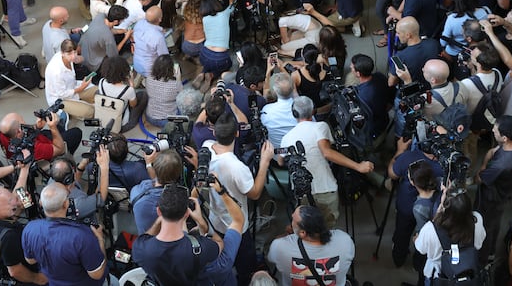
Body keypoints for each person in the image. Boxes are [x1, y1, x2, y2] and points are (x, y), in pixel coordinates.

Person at [282, 96, 374, 226]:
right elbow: (327, 152)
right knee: (328, 226)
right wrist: (358, 166)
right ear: (313, 111)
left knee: (308, 228)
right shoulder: (320, 127)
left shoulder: (286, 138)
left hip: (300, 191)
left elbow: (281, 161)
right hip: (324, 188)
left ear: (294, 113)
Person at [207, 112, 273, 285]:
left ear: (214, 132)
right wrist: (265, 162)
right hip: (237, 224)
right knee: (245, 265)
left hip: (214, 220)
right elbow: (255, 193)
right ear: (237, 133)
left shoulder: (206, 148)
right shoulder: (237, 168)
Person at [132, 183, 220, 285]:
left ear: (159, 211)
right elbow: (218, 243)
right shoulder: (201, 249)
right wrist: (201, 221)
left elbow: (146, 237)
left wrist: (158, 221)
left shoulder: (141, 249)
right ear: (187, 213)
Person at [21, 183, 108, 285]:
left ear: (41, 202)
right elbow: (97, 274)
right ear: (65, 204)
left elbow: (31, 260)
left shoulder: (29, 229)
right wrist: (100, 240)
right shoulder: (82, 236)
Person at [474, 116, 512, 263]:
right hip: (506, 192)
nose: (492, 130)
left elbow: (479, 178)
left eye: (495, 130)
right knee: (494, 222)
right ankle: (491, 251)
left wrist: (485, 161)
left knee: (485, 227)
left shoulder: (501, 165)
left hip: (491, 198)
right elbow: (499, 150)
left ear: (504, 138)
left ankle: (482, 258)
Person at [0, 187, 48, 286]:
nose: (15, 201)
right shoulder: (8, 237)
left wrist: (16, 208)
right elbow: (15, 271)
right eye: (9, 202)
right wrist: (38, 278)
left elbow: (5, 218)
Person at [267, 205, 355, 286]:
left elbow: (271, 257)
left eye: (293, 219)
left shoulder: (279, 246)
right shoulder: (345, 241)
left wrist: (287, 235)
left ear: (302, 233)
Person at [414, 184, 486, 282]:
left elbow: (421, 249)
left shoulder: (431, 229)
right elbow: (478, 244)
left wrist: (436, 218)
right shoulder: (477, 220)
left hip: (439, 276)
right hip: (467, 271)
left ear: (444, 209)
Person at [0, 111, 80, 162]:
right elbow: (60, 150)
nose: (25, 122)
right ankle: (66, 159)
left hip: (39, 137)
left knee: (58, 129)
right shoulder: (36, 148)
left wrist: (37, 127)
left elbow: (23, 132)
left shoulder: (5, 132)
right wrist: (53, 127)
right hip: (51, 148)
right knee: (76, 132)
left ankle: (60, 129)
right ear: (19, 131)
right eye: (23, 122)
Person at [44, 39, 95, 120]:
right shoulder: (56, 72)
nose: (73, 56)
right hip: (60, 97)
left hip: (72, 86)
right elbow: (62, 94)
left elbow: (77, 58)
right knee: (90, 112)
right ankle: (70, 111)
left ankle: (80, 104)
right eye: (69, 54)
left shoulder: (66, 57)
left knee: (97, 91)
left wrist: (80, 58)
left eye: (75, 52)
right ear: (62, 53)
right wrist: (81, 88)